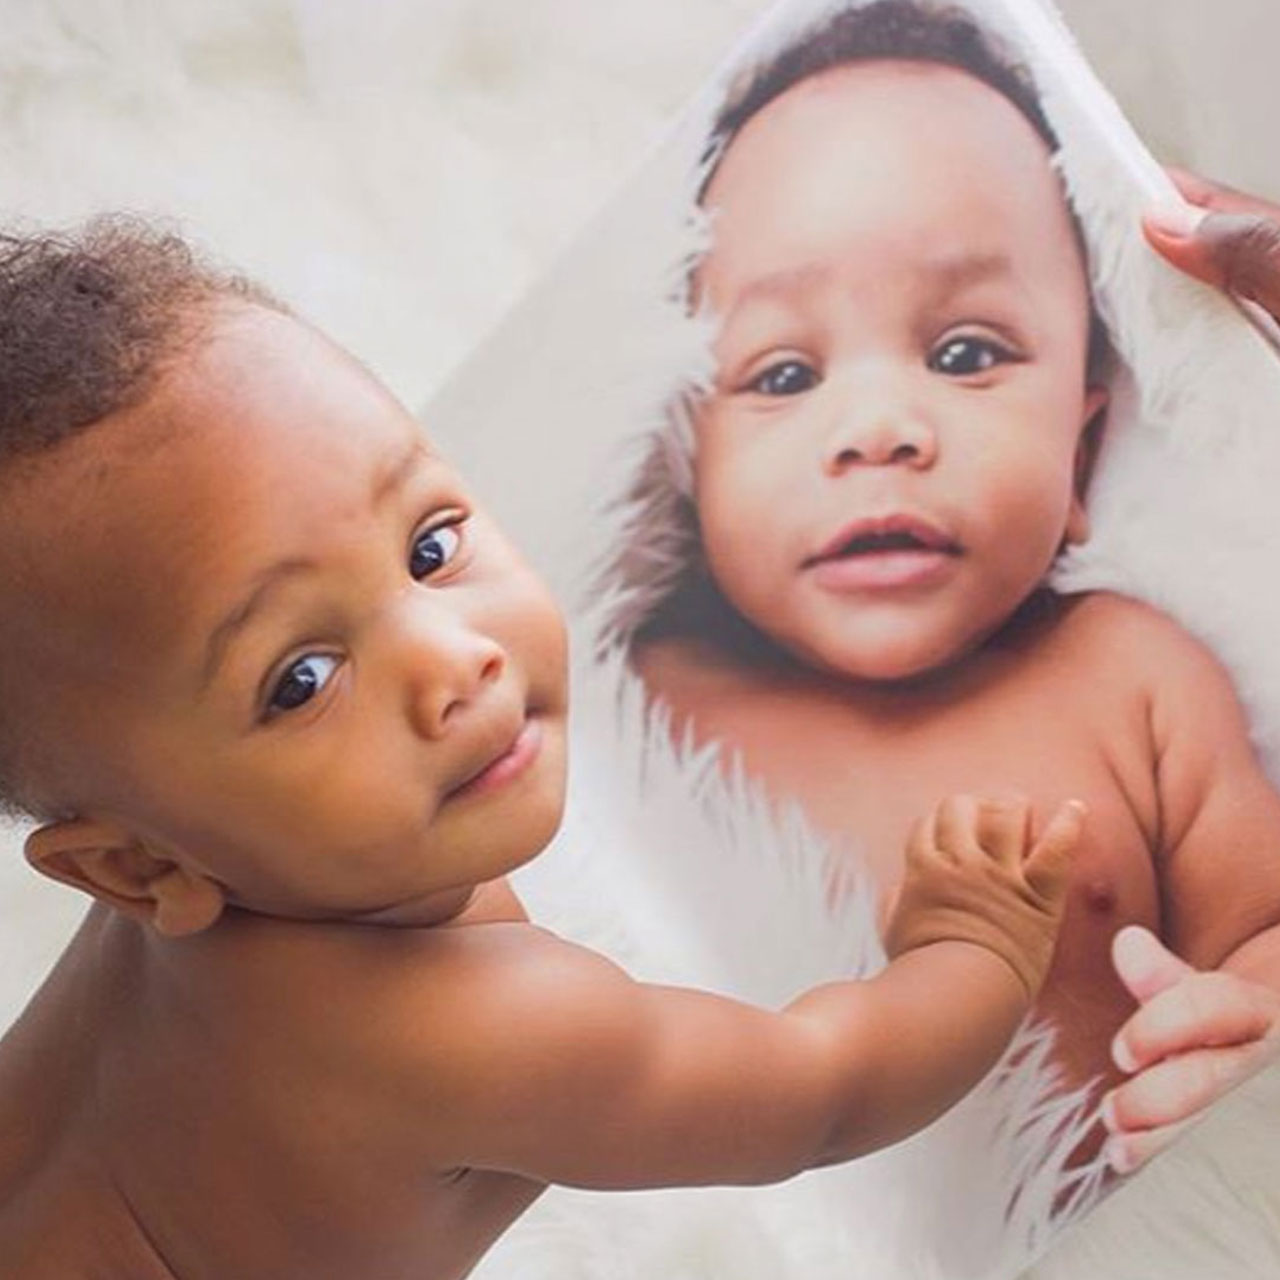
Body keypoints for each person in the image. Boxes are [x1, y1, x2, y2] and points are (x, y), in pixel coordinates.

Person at [0, 215, 1085, 1279]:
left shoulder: (187, 845)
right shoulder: (472, 1028)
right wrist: (971, 945)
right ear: (133, 866)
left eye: (428, 547)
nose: (453, 659)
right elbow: (823, 1088)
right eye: (301, 679)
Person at [620, 1, 1280, 1177]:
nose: (878, 429)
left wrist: (1241, 1032)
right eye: (782, 372)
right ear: (683, 456)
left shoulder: (1129, 676)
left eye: (966, 353)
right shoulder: (640, 707)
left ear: (1081, 448)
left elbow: (1263, 931)